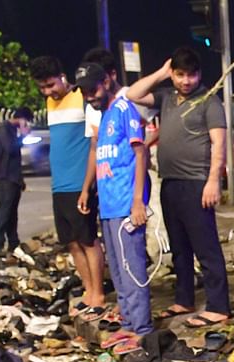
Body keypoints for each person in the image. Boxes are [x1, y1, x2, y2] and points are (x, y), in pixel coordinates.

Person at [127, 47, 231, 329]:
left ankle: (219, 306)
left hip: (197, 183)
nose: (186, 81)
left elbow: (219, 144)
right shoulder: (167, 97)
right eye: (180, 74)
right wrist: (161, 73)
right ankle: (184, 299)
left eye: (192, 75)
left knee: (205, 246)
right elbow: (132, 94)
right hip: (170, 182)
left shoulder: (209, 101)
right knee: (179, 247)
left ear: (199, 74)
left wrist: (213, 181)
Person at [76, 62, 152, 346]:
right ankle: (130, 323)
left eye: (92, 89)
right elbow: (100, 156)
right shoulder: (105, 116)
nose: (89, 96)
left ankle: (142, 329)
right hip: (108, 206)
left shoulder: (123, 110)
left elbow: (140, 153)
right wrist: (87, 190)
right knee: (119, 273)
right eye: (84, 92)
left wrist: (137, 202)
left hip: (125, 205)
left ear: (107, 82)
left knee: (132, 270)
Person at [29, 55, 106, 315]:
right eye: (42, 87)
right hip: (59, 186)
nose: (48, 91)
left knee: (88, 240)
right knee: (72, 243)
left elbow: (94, 143)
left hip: (79, 183)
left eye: (51, 85)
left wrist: (87, 187)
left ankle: (99, 294)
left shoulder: (82, 99)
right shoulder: (51, 103)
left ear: (63, 77)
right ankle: (87, 290)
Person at [0, 107, 33, 257]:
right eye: (26, 121)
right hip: (6, 177)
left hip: (14, 177)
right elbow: (10, 149)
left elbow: (16, 158)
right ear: (21, 118)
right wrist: (22, 136)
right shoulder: (4, 128)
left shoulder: (11, 130)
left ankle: (13, 243)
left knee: (12, 213)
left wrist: (21, 179)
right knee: (4, 211)